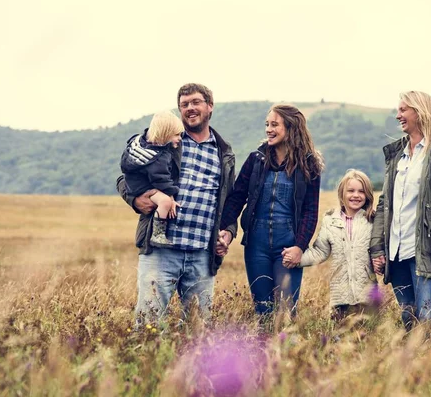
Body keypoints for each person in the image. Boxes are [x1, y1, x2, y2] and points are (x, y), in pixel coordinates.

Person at [116, 83, 236, 327]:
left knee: (198, 330)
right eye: (184, 104)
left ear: (210, 106)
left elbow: (229, 200)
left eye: (195, 102)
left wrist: (229, 232)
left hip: (202, 254)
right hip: (161, 251)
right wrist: (136, 199)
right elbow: (125, 177)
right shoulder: (165, 140)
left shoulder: (223, 152)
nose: (190, 108)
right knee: (147, 326)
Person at [369, 91, 431, 332]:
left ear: (419, 111)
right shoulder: (397, 155)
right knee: (408, 318)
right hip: (396, 251)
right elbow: (385, 203)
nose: (398, 115)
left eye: (403, 110)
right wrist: (377, 248)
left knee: (426, 320)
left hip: (425, 251)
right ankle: (414, 369)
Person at [217, 104, 324, 316]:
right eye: (267, 124)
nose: (268, 129)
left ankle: (286, 350)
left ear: (291, 128)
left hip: (288, 245)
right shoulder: (256, 160)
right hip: (257, 245)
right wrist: (226, 230)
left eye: (275, 125)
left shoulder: (308, 164)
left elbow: (310, 212)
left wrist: (299, 247)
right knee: (263, 311)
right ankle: (264, 349)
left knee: (285, 313)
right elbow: (237, 197)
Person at [283, 169, 377, 321]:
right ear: (342, 194)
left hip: (367, 296)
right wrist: (296, 259)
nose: (356, 195)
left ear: (367, 195)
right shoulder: (330, 221)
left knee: (367, 339)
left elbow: (380, 251)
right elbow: (319, 251)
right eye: (351, 191)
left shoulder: (373, 221)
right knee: (340, 338)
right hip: (340, 296)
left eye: (361, 191)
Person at [119, 111, 183, 247]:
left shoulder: (138, 145)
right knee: (165, 202)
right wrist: (171, 196)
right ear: (166, 133)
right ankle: (158, 234)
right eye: (176, 135)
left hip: (135, 185)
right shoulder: (159, 157)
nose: (179, 138)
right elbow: (161, 180)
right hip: (144, 188)